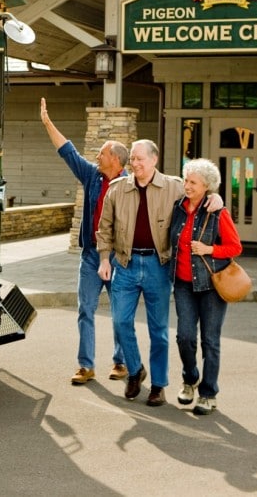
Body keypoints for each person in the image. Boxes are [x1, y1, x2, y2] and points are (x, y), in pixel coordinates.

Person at [39, 97, 128, 386]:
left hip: (120, 257)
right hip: (91, 255)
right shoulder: (92, 176)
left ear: (115, 159)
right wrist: (47, 122)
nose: (97, 157)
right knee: (85, 309)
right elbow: (68, 151)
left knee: (121, 311)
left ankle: (121, 362)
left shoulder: (131, 184)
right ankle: (86, 366)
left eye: (102, 154)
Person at [97, 139, 180, 406]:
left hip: (158, 264)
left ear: (154, 160)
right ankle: (135, 371)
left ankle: (158, 385)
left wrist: (214, 196)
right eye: (132, 159)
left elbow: (201, 194)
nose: (134, 163)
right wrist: (104, 259)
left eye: (140, 159)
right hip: (125, 263)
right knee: (120, 322)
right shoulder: (117, 189)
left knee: (159, 330)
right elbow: (105, 227)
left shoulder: (174, 187)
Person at [169, 158, 242, 416]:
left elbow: (235, 247)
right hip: (183, 285)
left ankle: (208, 393)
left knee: (210, 341)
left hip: (212, 286)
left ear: (206, 186)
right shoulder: (178, 207)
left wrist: (210, 249)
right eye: (186, 180)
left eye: (192, 182)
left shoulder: (217, 212)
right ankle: (190, 379)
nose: (186, 185)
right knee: (185, 337)